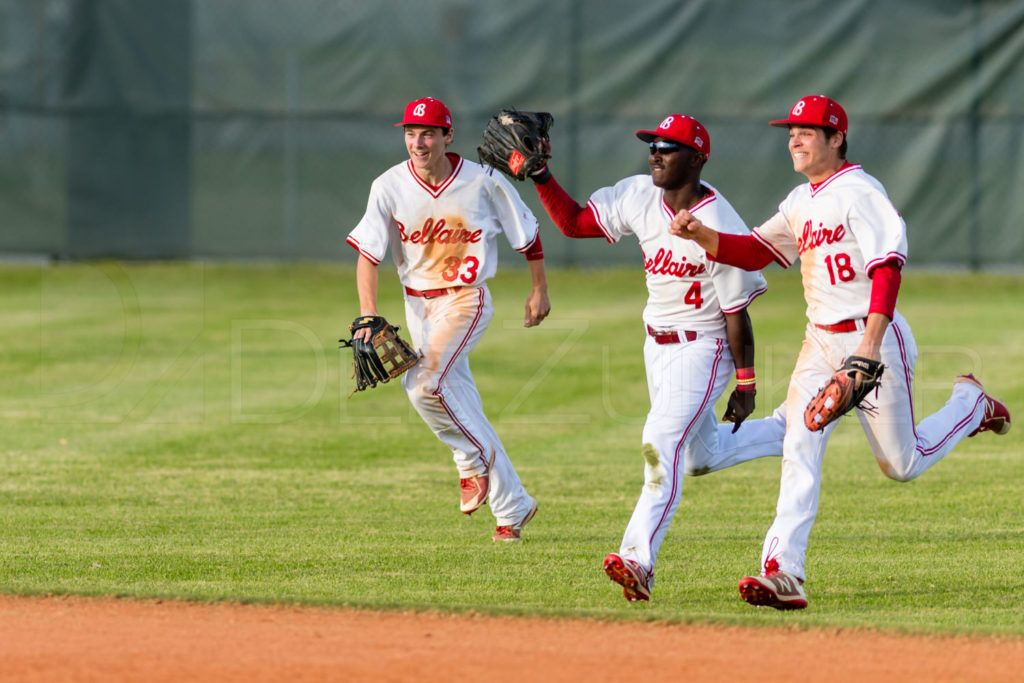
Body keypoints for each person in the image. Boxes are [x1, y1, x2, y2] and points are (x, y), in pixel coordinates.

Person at [670, 95, 1012, 610]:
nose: (795, 139)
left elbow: (887, 267)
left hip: (874, 338)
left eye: (808, 131)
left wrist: (870, 349)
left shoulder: (859, 192)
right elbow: (758, 250)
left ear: (836, 139)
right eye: (791, 131)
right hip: (819, 342)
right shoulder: (800, 200)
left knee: (901, 463)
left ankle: (970, 405)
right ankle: (783, 570)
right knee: (800, 445)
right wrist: (703, 235)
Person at [529, 114, 785, 601]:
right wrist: (542, 175)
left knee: (658, 439)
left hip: (704, 347)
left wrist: (746, 384)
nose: (656, 154)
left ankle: (637, 559)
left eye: (669, 146)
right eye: (653, 145)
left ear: (697, 158)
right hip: (656, 347)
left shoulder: (717, 222)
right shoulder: (638, 195)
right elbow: (576, 223)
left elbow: (736, 314)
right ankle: (792, 429)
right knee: (696, 458)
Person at [346, 97, 551, 542]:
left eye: (428, 133)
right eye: (410, 133)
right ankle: (512, 508)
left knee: (422, 384)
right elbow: (368, 254)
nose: (417, 142)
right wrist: (369, 313)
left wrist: (539, 289)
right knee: (460, 404)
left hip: (466, 299)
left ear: (447, 136)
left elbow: (528, 235)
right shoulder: (388, 185)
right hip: (416, 306)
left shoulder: (482, 181)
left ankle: (468, 461)